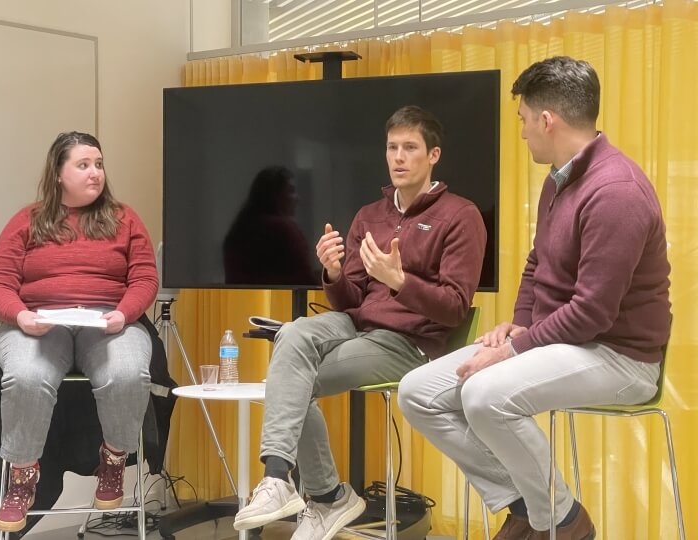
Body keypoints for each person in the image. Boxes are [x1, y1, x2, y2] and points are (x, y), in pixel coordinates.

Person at [398, 56, 671, 540]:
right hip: (566, 342)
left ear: (547, 120)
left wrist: (512, 349)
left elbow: (592, 312)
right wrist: (517, 323)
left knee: (485, 393)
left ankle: (562, 525)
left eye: (523, 121)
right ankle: (532, 508)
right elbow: (536, 263)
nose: (522, 133)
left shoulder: (615, 192)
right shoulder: (559, 180)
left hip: (620, 357)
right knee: (417, 392)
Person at [233, 105, 487, 540]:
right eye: (392, 148)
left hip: (411, 342)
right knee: (293, 333)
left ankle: (327, 496)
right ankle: (280, 480)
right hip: (357, 325)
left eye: (410, 148)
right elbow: (349, 298)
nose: (399, 157)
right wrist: (332, 273)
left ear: (434, 155)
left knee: (292, 379)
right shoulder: (370, 214)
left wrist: (399, 281)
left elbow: (455, 307)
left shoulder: (461, 216)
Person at [0, 131, 158, 533]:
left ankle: (112, 461)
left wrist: (125, 313)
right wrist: (22, 316)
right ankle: (23, 477)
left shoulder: (125, 219)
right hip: (39, 322)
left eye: (98, 164)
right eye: (83, 165)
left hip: (108, 320)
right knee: (27, 375)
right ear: (58, 173)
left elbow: (145, 278)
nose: (95, 172)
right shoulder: (26, 221)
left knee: (129, 372)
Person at [223, 165, 318, 286]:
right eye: (291, 191)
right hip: (283, 302)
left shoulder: (238, 230)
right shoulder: (284, 229)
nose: (297, 198)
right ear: (276, 195)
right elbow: (305, 279)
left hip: (238, 302)